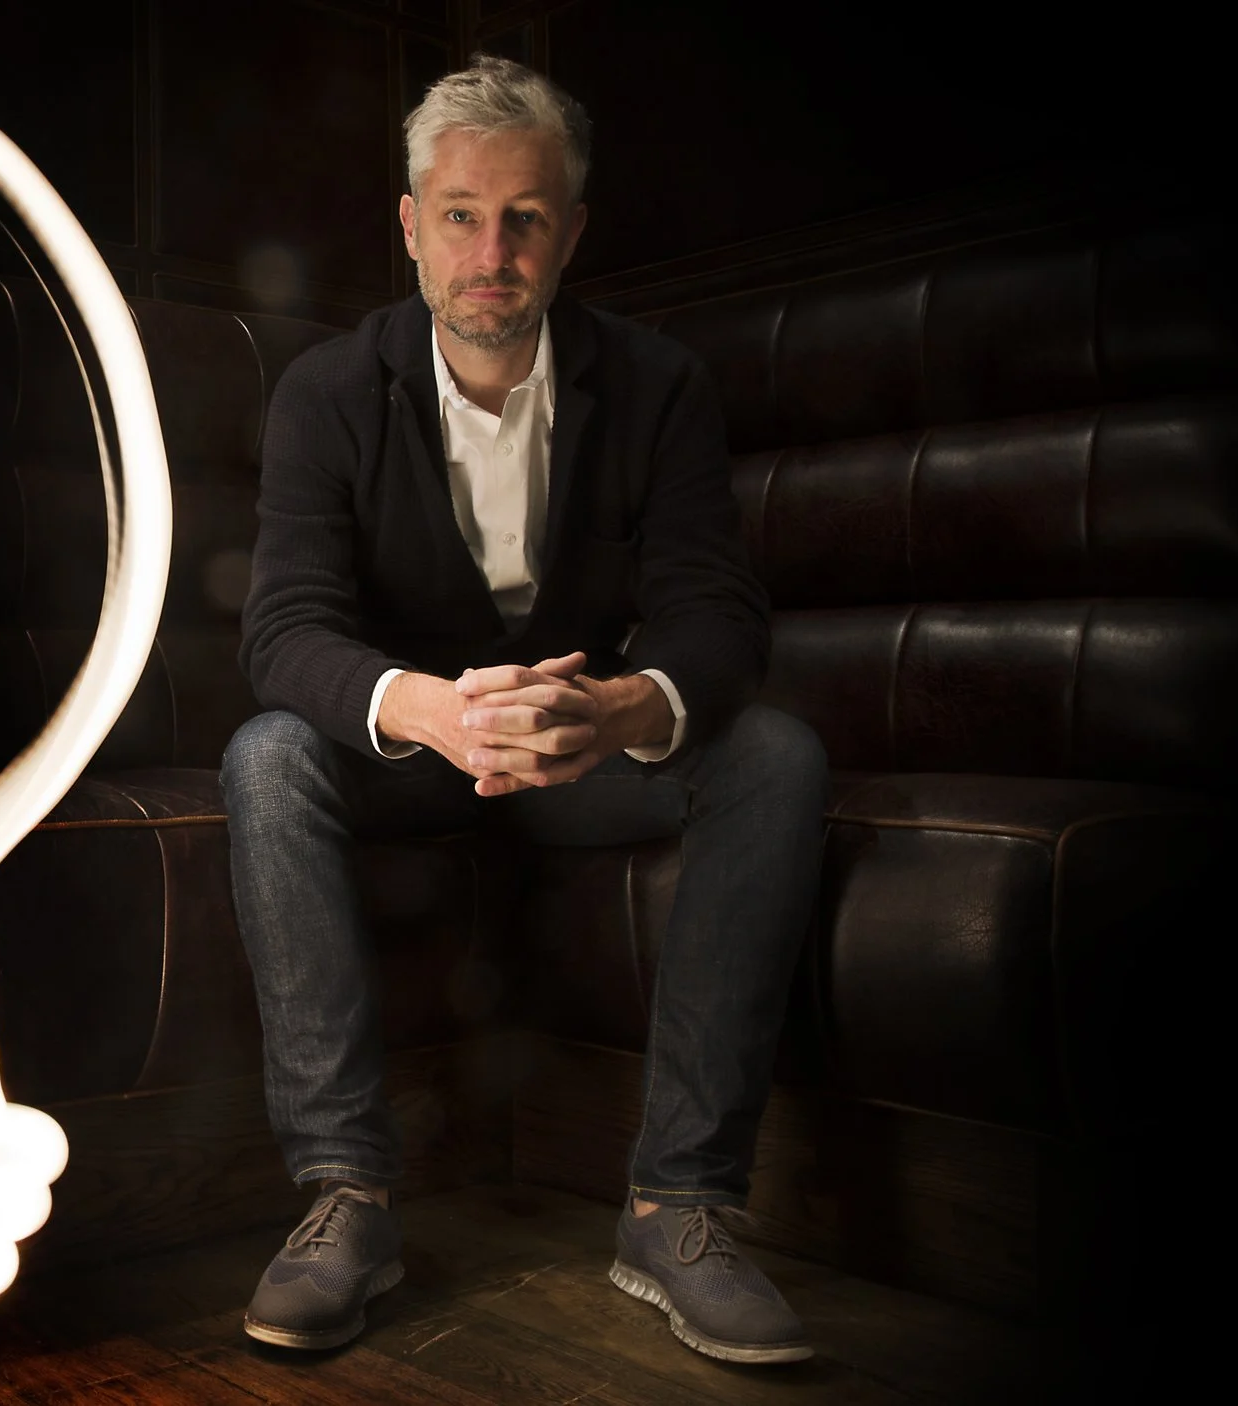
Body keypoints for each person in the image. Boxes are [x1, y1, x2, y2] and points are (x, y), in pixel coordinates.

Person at [223, 55, 828, 1365]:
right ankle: (348, 1198)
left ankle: (680, 1207)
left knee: (772, 753)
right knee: (269, 758)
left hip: (578, 748)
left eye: (526, 218)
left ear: (571, 231)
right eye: (459, 214)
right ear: (409, 223)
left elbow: (715, 611)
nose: (491, 250)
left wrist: (620, 709)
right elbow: (283, 630)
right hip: (406, 753)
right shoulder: (328, 391)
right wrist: (427, 707)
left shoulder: (657, 383)